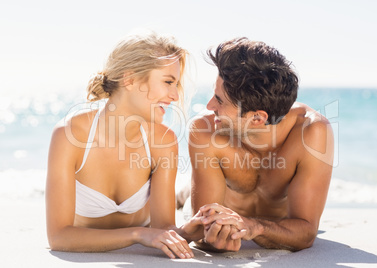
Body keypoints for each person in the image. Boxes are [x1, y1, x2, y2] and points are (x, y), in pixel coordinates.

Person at [46, 32, 203, 259]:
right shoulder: (70, 135)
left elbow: (163, 227)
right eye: (168, 82)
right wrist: (138, 234)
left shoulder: (163, 141)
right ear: (129, 80)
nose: (174, 96)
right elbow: (59, 237)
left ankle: (185, 195)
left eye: (176, 84)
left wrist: (188, 231)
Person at [188, 37, 334, 252]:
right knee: (182, 196)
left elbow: (306, 232)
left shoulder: (311, 132)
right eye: (214, 94)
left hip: (274, 222)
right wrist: (213, 237)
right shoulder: (205, 130)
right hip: (233, 211)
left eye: (219, 100)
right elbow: (202, 228)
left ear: (257, 118)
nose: (209, 106)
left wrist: (254, 227)